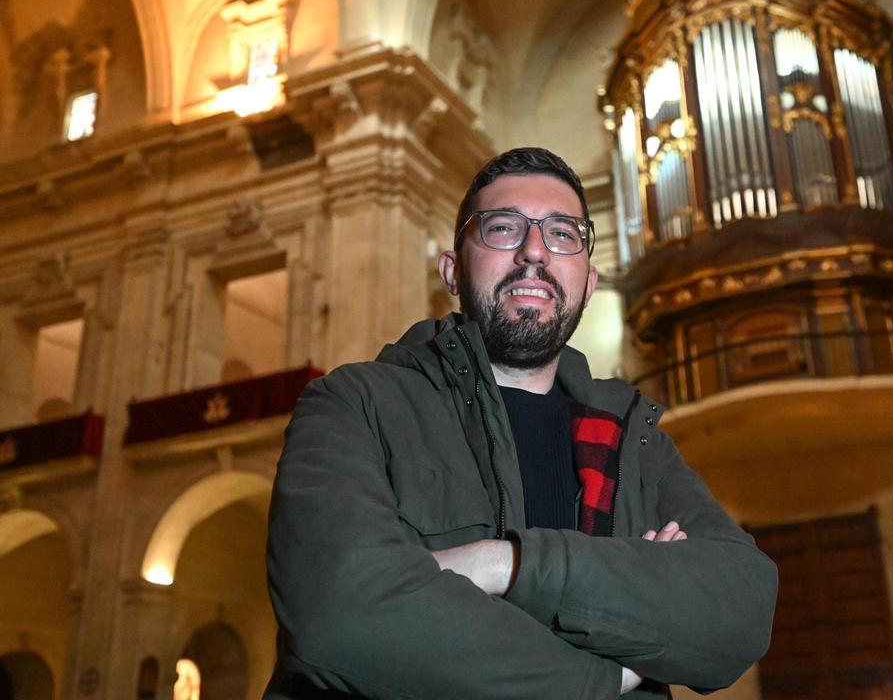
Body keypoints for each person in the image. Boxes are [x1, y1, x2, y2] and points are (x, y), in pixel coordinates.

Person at [265, 147, 778, 699]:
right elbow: (339, 613)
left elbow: (742, 610)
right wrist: (602, 675)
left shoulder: (635, 438)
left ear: (588, 282)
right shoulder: (353, 403)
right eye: (503, 228)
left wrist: (504, 563)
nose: (534, 250)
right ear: (452, 271)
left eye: (563, 234)